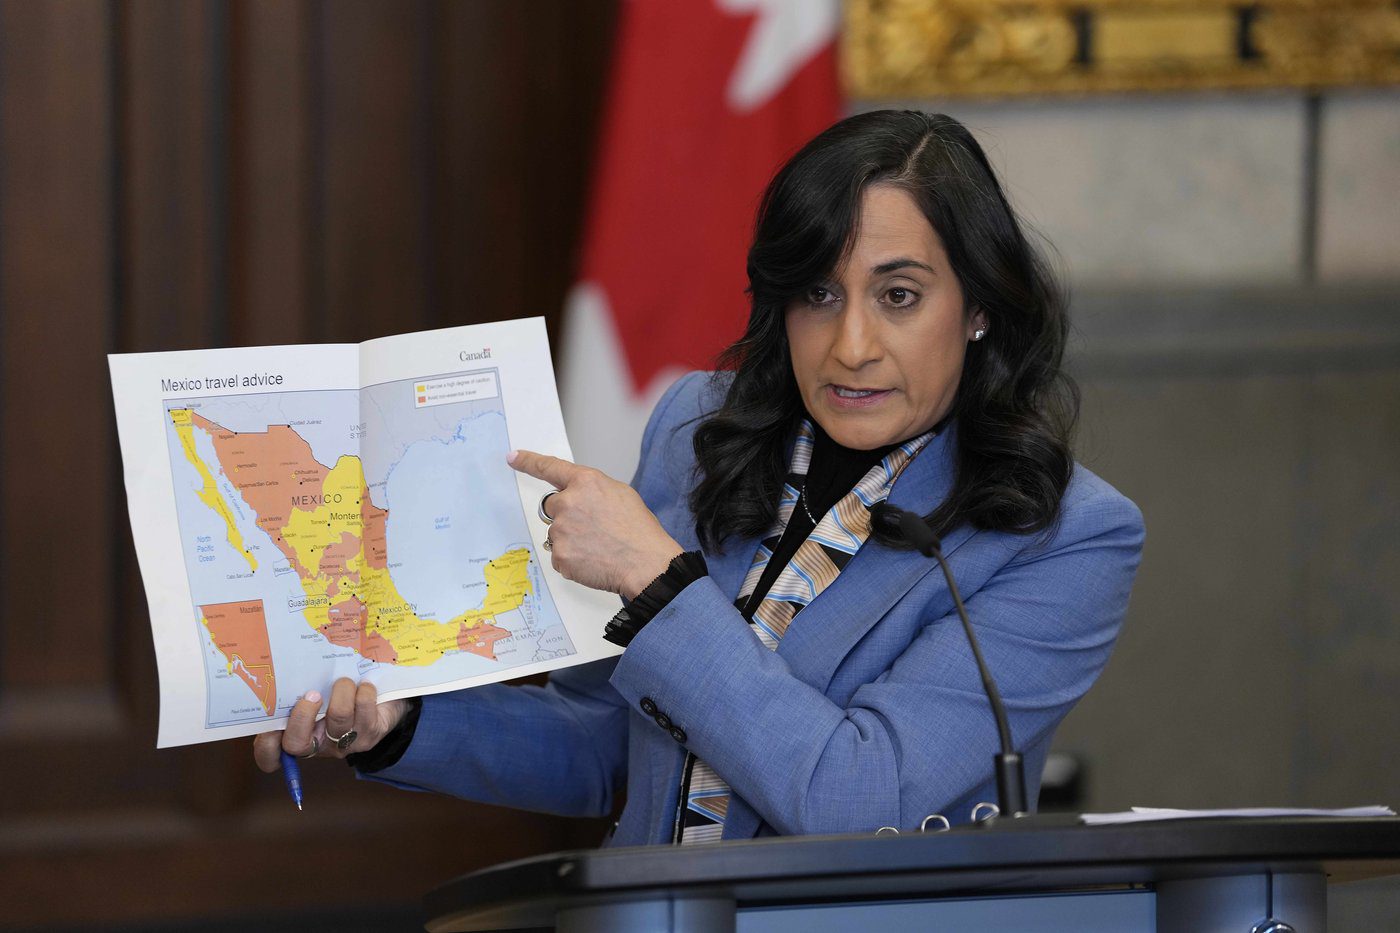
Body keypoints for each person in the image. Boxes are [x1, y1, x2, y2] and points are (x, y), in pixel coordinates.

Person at [254, 110, 1144, 846]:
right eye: (818, 293)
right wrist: (401, 723)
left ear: (980, 305)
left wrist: (659, 583)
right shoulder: (699, 430)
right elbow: (606, 745)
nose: (852, 345)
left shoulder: (1062, 535)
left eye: (899, 296)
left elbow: (859, 799)